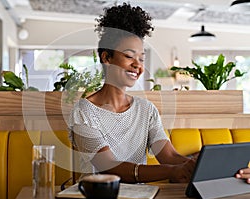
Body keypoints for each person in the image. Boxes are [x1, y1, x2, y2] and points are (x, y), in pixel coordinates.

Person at [68, 2, 250, 184]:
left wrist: (219, 171)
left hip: (141, 197)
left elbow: (169, 155)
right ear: (106, 58)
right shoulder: (84, 112)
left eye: (141, 58)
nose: (137, 65)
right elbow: (109, 166)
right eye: (129, 56)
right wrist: (172, 172)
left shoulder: (146, 110)